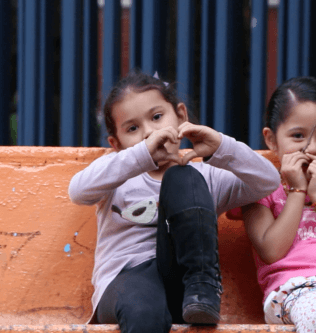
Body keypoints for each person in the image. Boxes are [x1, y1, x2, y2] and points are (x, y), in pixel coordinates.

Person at [69, 69, 280, 333]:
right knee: (145, 311)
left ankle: (204, 288)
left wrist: (221, 147)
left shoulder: (206, 175)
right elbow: (78, 191)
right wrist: (141, 155)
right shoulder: (118, 171)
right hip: (127, 283)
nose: (149, 132)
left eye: (157, 117)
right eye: (132, 129)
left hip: (186, 291)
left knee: (183, 176)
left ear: (181, 115)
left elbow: (267, 181)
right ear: (117, 143)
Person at [243, 76, 316, 332]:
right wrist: (298, 190)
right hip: (298, 291)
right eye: (298, 136)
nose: (311, 148)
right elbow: (272, 250)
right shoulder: (260, 187)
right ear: (272, 139)